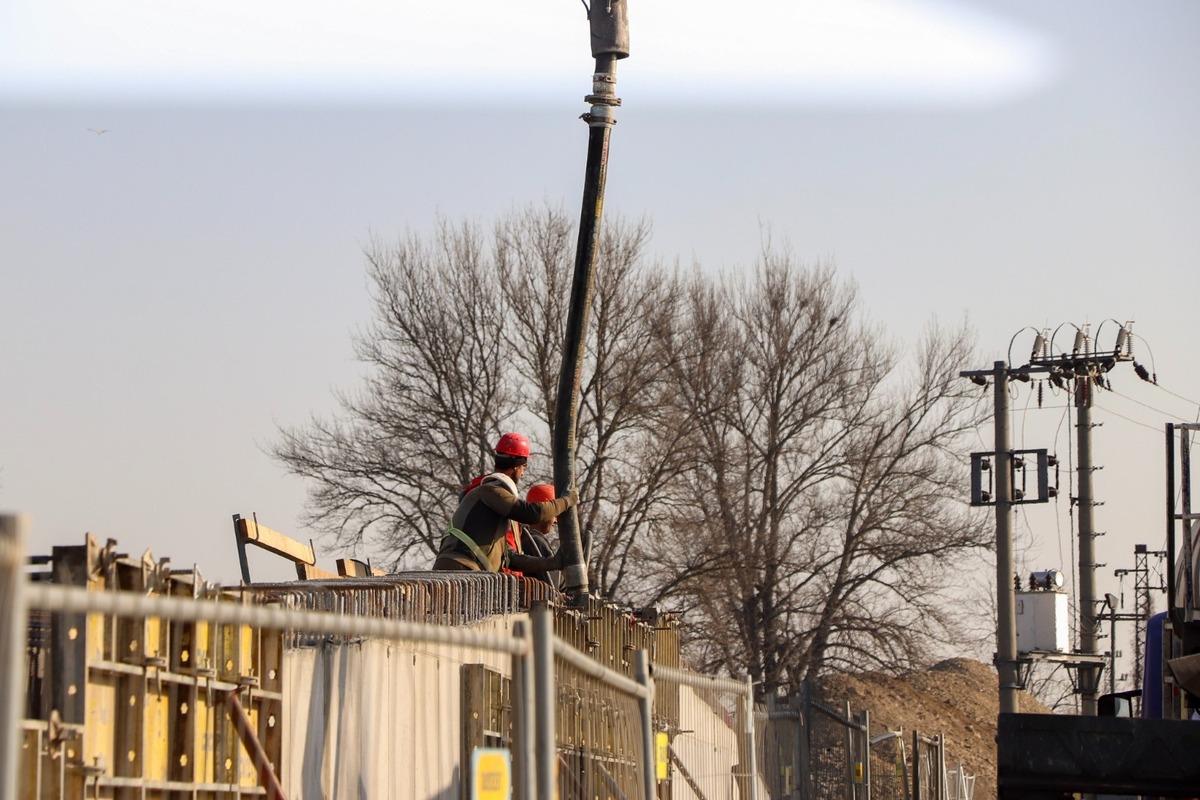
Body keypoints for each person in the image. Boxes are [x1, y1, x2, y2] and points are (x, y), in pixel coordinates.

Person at [433, 432, 577, 573]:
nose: (523, 474)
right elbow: (533, 513)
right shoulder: (490, 491)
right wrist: (567, 500)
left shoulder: (492, 517)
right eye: (524, 467)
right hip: (459, 569)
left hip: (463, 571)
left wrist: (553, 563)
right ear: (517, 466)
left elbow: (511, 558)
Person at [518, 483, 564, 589]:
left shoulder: (521, 538)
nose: (556, 521)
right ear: (544, 512)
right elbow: (554, 583)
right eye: (554, 515)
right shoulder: (536, 542)